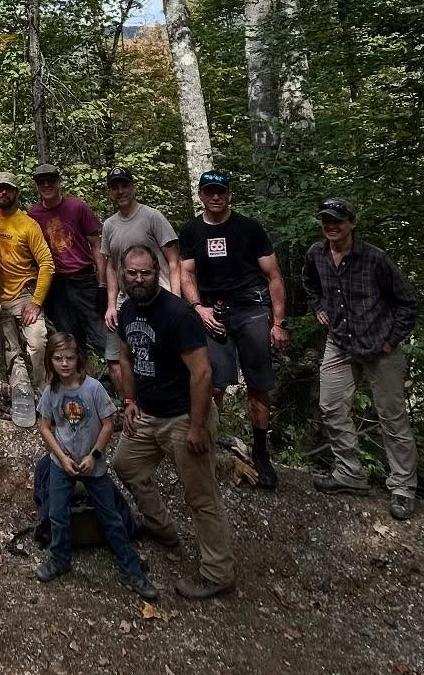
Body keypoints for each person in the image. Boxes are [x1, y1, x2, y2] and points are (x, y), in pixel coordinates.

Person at [113, 245, 238, 599]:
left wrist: (197, 426)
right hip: (148, 413)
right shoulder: (126, 310)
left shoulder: (178, 314)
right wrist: (130, 401)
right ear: (123, 275)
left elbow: (201, 373)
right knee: (126, 465)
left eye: (146, 273)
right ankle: (161, 527)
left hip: (184, 416)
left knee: (200, 495)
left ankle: (218, 572)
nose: (139, 279)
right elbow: (125, 356)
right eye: (132, 273)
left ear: (158, 273)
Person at [302, 197, 419, 518]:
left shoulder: (375, 259)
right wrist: (318, 309)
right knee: (330, 405)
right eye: (326, 220)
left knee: (392, 418)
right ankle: (350, 473)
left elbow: (407, 302)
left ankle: (402, 488)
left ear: (352, 222)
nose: (331, 226)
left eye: (338, 220)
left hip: (380, 347)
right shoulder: (317, 254)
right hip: (339, 342)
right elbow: (309, 283)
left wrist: (391, 339)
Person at [177, 171, 288, 490]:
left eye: (221, 191)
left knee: (258, 385)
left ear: (229, 195)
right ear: (200, 195)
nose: (215, 197)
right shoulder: (192, 230)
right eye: (209, 191)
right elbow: (186, 274)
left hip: (252, 310)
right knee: (211, 384)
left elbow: (275, 276)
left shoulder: (249, 228)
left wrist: (278, 323)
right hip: (214, 312)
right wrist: (199, 308)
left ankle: (261, 453)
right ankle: (207, 446)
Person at [34, 331, 158, 599]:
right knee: (57, 513)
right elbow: (44, 427)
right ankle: (60, 558)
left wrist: (95, 455)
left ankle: (132, 569)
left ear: (78, 358)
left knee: (111, 517)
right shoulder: (51, 391)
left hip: (94, 465)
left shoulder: (93, 388)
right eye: (57, 358)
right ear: (50, 360)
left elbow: (108, 423)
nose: (64, 364)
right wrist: (62, 457)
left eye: (69, 358)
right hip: (61, 463)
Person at [28, 164, 110, 375]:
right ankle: (84, 385)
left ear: (58, 182)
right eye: (41, 182)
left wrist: (102, 284)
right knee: (69, 341)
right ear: (37, 186)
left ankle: (128, 386)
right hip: (55, 286)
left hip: (84, 280)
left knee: (102, 336)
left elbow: (97, 245)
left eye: (50, 180)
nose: (46, 185)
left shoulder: (77, 207)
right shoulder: (33, 215)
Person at [100, 167, 181, 378]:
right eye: (115, 187)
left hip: (157, 297)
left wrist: (175, 300)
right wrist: (110, 305)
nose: (120, 191)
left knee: (158, 357)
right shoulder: (109, 225)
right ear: (110, 192)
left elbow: (174, 260)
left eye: (124, 185)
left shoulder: (152, 217)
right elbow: (111, 266)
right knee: (115, 360)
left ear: (133, 187)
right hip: (124, 301)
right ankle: (130, 404)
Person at [0, 172, 54, 428]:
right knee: (11, 352)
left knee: (38, 342)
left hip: (25, 295)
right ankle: (22, 398)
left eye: (8, 189)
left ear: (16, 193)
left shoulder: (28, 224)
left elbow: (47, 264)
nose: (3, 194)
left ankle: (45, 394)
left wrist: (36, 301)